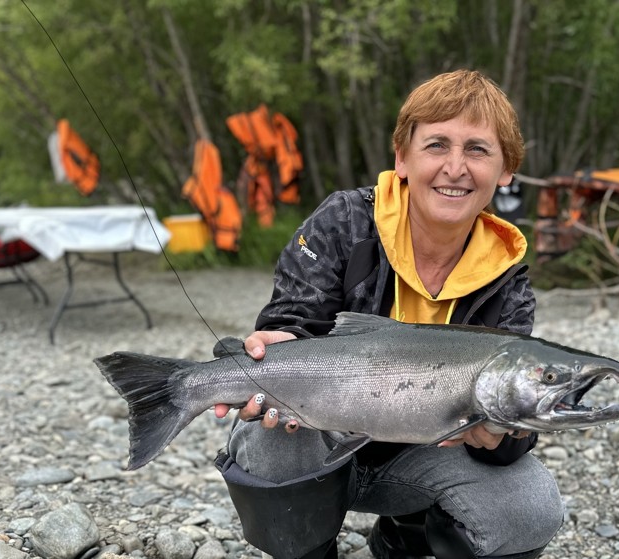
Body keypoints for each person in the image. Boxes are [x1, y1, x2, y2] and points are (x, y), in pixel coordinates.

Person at [213, 69, 564, 559]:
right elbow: (292, 320)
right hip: (316, 439)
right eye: (437, 145)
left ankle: (407, 537)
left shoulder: (508, 280)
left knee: (529, 507)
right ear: (402, 157)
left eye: (478, 150)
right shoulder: (345, 221)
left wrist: (508, 433)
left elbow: (507, 427)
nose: (456, 167)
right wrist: (276, 341)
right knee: (272, 438)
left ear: (506, 171)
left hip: (422, 462)